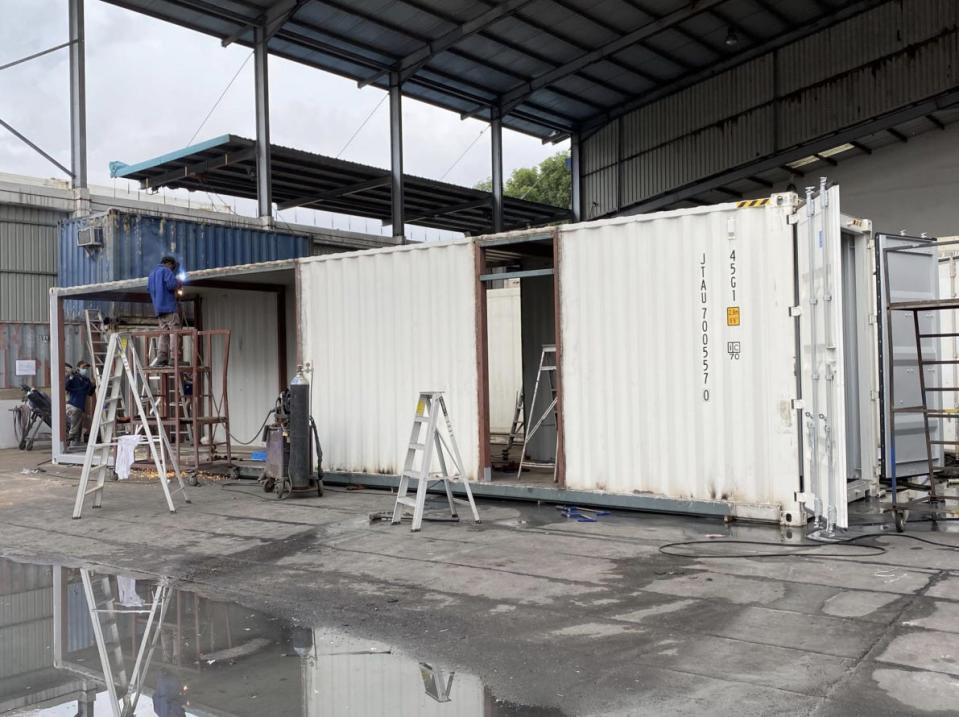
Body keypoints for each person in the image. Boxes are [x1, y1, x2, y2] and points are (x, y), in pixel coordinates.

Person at [148, 256, 183, 367]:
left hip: (159, 310)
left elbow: (149, 289)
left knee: (164, 333)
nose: (172, 270)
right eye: (172, 267)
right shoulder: (166, 270)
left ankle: (161, 358)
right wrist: (178, 282)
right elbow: (172, 285)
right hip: (169, 308)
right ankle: (174, 358)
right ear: (168, 263)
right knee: (175, 332)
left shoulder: (152, 274)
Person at [65, 361, 95, 445]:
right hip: (72, 405)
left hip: (80, 406)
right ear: (78, 368)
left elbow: (90, 393)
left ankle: (74, 442)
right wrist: (70, 376)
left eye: (86, 368)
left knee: (78, 425)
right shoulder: (73, 377)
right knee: (74, 422)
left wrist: (94, 385)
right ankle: (70, 437)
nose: (85, 370)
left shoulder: (86, 380)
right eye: (83, 367)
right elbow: (65, 386)